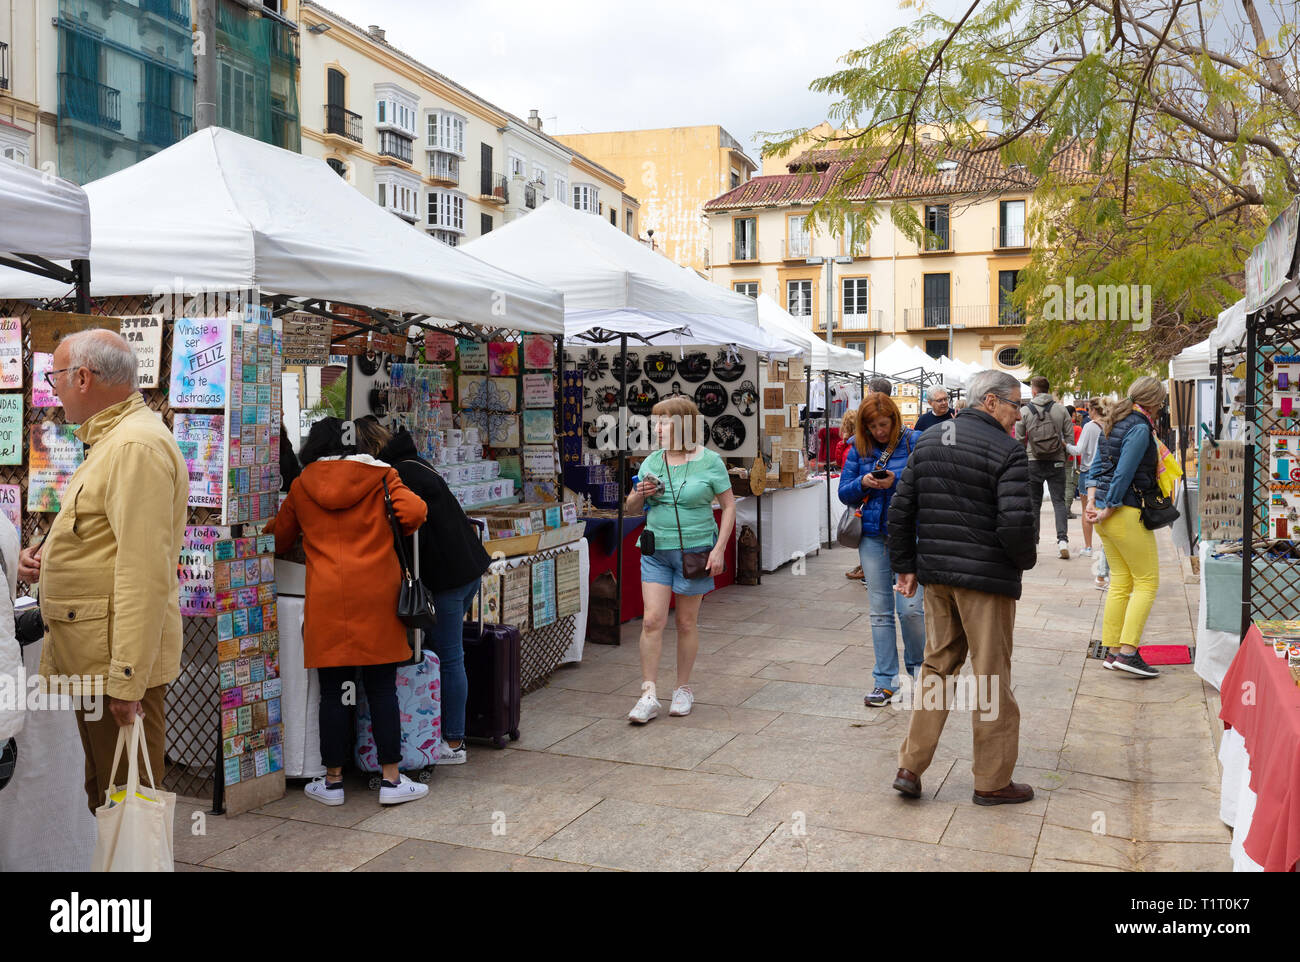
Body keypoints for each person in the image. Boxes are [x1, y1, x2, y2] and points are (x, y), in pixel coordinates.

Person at [18, 330, 187, 814]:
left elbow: (143, 571)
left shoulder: (133, 446)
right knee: (111, 798)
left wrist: (126, 679)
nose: (53, 391)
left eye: (57, 379)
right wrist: (49, 555)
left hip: (112, 660)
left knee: (127, 803)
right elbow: (108, 543)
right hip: (98, 655)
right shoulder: (116, 440)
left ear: (84, 378)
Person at [888, 370, 1038, 805]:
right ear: (990, 402)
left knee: (936, 669)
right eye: (1015, 405)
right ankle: (991, 781)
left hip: (938, 576)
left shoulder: (930, 440)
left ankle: (910, 767)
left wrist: (906, 566)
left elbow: (902, 508)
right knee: (991, 677)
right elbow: (1016, 524)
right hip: (985, 581)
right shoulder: (1007, 450)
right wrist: (1024, 562)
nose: (1018, 414)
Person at [265, 417, 430, 804]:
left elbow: (280, 536)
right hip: (377, 598)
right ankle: (391, 780)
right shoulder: (383, 476)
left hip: (327, 601)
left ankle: (333, 781)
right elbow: (416, 513)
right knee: (381, 689)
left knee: (335, 693)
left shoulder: (304, 485)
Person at [361, 417, 492, 765]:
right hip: (466, 568)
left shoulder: (398, 476)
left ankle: (453, 741)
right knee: (449, 655)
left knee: (449, 657)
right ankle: (447, 733)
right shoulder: (415, 463)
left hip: (447, 576)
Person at [624, 396, 736, 723]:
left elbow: (729, 506)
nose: (657, 429)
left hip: (695, 551)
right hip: (656, 550)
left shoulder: (711, 461)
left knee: (686, 622)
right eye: (656, 422)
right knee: (651, 621)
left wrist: (719, 549)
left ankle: (683, 688)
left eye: (664, 422)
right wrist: (639, 494)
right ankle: (648, 693)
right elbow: (631, 509)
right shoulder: (652, 462)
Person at [838, 393, 923, 706]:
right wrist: (864, 481)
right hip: (873, 537)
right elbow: (843, 493)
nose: (879, 431)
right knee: (880, 612)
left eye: (883, 424)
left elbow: (929, 480)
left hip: (911, 535)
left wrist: (895, 480)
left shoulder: (915, 441)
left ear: (895, 419)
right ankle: (885, 681)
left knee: (911, 611)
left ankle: (918, 672)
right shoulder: (857, 448)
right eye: (872, 426)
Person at [1084, 376, 1167, 678]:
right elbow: (1123, 472)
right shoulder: (1139, 427)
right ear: (1155, 401)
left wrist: (1093, 500)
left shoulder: (1114, 420)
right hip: (1124, 511)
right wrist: (1108, 507)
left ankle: (1113, 651)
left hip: (1107, 512)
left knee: (1120, 581)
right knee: (1147, 582)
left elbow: (1096, 465)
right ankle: (1129, 653)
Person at [1016, 375, 1073, 559]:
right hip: (1056, 461)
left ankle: (1034, 542)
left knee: (1034, 503)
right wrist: (1062, 457)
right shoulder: (1061, 410)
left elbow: (1018, 440)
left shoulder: (1025, 411)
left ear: (1033, 391)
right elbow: (1070, 439)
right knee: (1059, 502)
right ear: (1048, 389)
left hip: (1033, 461)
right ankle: (1062, 540)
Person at [1069, 398, 1108, 580]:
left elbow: (1079, 450)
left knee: (1087, 510)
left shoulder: (1090, 426)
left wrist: (1065, 445)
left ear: (1092, 409)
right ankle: (1105, 546)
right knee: (1104, 509)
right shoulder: (1109, 424)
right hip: (1105, 472)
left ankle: (1088, 546)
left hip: (1088, 471)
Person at [835, 409, 865, 582]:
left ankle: (864, 565)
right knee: (859, 528)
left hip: (856, 491)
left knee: (858, 528)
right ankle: (863, 564)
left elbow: (840, 462)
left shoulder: (852, 446)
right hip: (857, 489)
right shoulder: (855, 444)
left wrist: (843, 442)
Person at [279, 421, 301, 493]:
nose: (283, 413)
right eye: (279, 410)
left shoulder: (284, 439)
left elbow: (294, 467)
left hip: (288, 491)